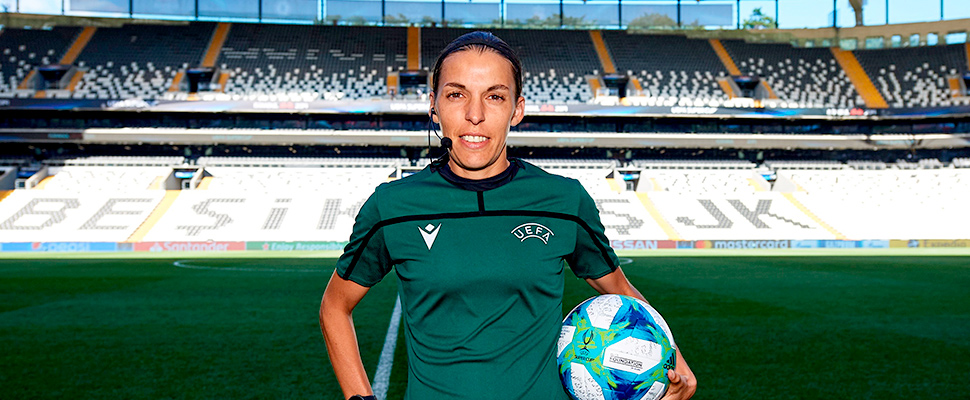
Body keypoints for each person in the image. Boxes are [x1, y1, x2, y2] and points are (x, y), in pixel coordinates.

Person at [320, 31, 696, 400]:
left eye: (495, 97)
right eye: (456, 94)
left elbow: (619, 290)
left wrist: (671, 357)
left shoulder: (564, 199)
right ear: (433, 104)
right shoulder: (393, 206)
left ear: (517, 109)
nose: (474, 115)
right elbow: (335, 306)